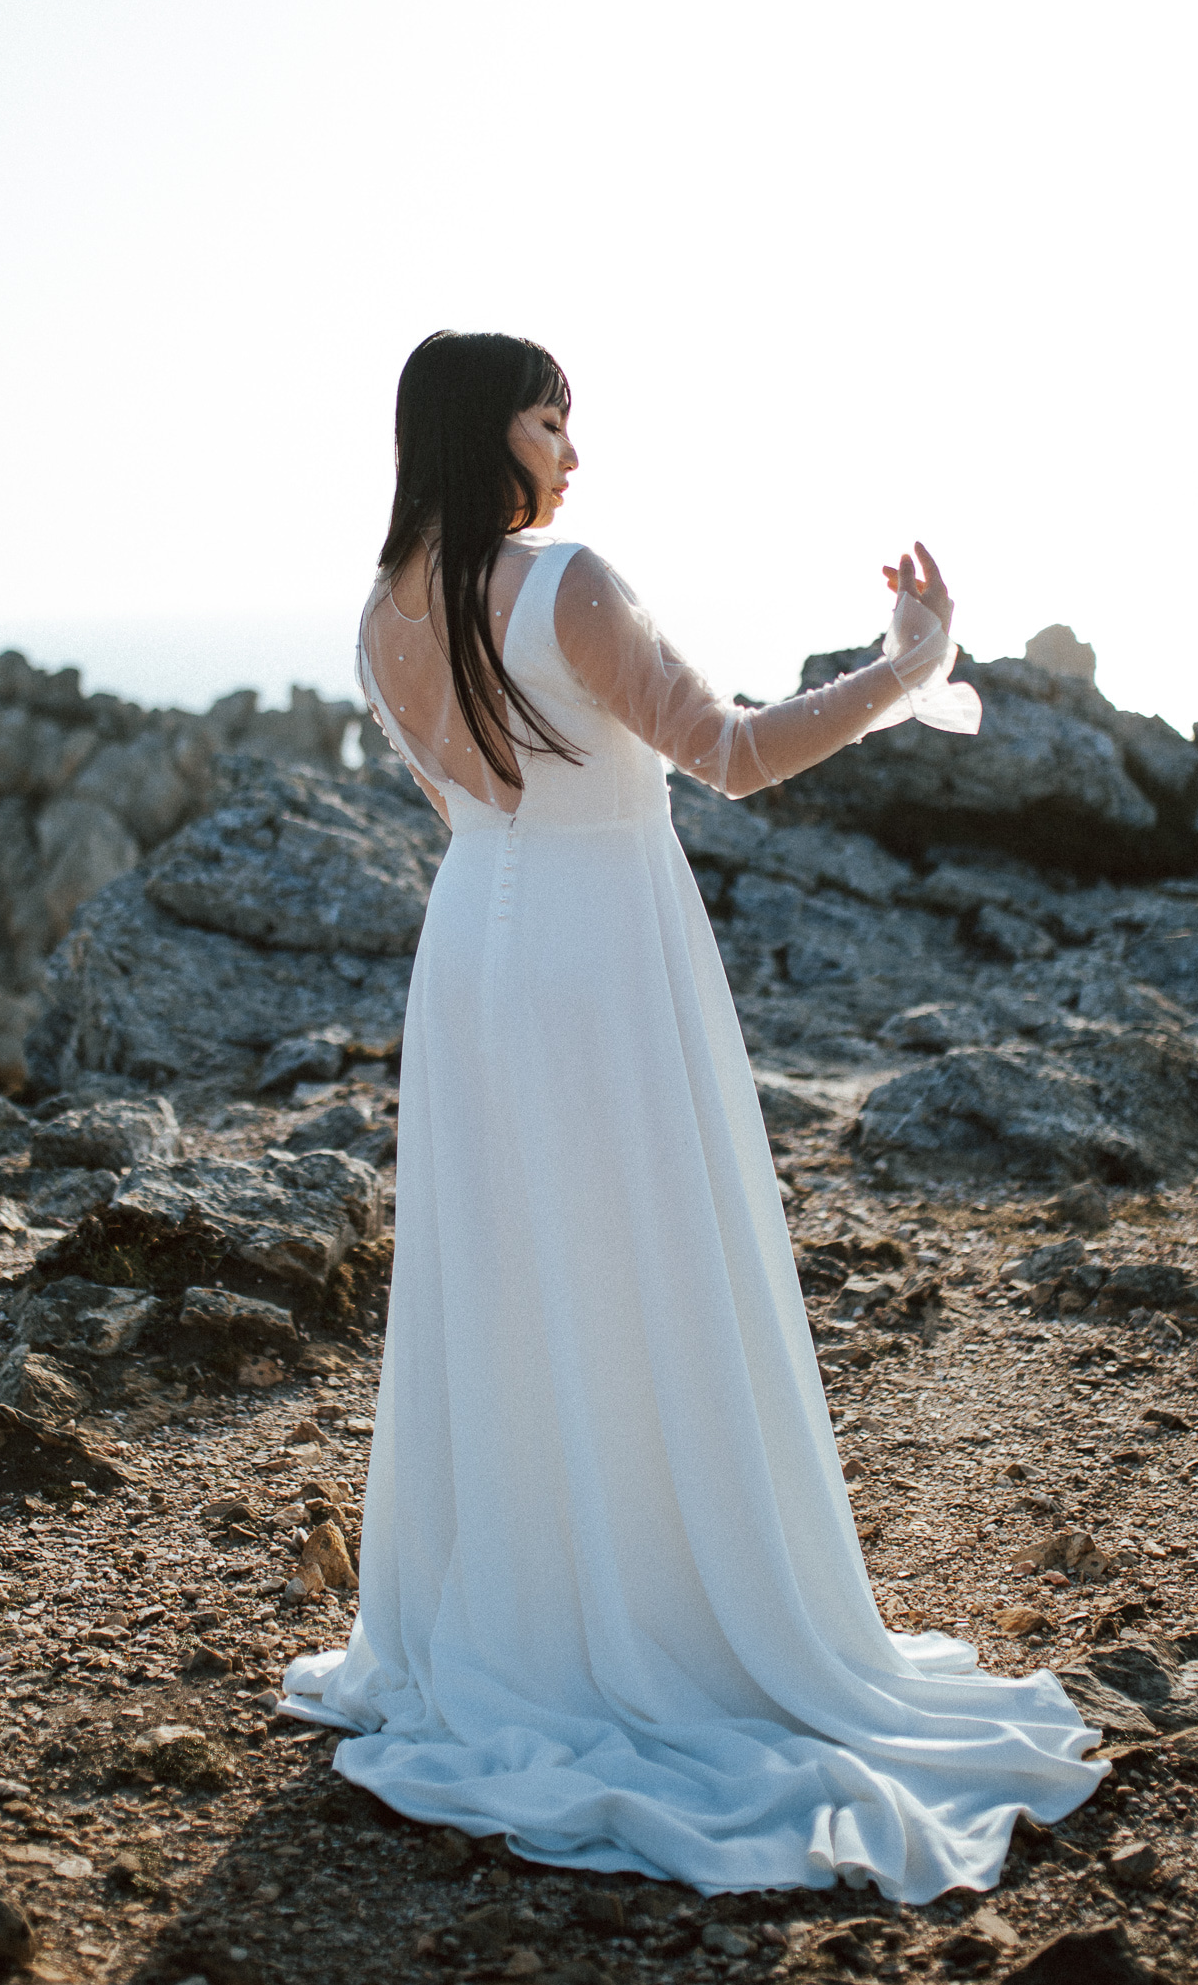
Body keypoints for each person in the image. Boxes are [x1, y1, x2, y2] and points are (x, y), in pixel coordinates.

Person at [282, 331, 1106, 1899]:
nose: (572, 449)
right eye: (551, 416)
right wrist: (912, 667)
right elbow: (730, 757)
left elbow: (462, 805)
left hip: (474, 955)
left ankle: (529, 1607)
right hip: (600, 949)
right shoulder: (564, 577)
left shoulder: (381, 609)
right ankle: (652, 1611)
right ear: (490, 429)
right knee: (640, 1266)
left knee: (516, 1283)